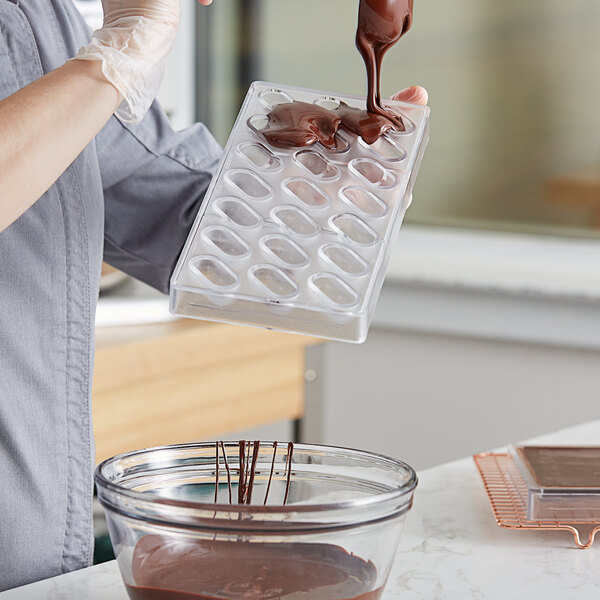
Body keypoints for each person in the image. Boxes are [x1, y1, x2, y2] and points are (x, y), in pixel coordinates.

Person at [0, 0, 428, 590]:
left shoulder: (34, 17)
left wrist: (305, 205)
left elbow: (143, 189)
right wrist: (117, 56)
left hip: (29, 541)